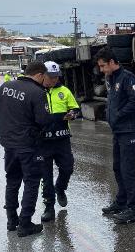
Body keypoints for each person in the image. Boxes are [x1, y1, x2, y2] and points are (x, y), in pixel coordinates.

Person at [0, 61, 51, 237]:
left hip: (9, 145)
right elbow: (44, 121)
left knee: (12, 181)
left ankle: (12, 221)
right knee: (31, 183)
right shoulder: (38, 93)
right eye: (44, 78)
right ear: (39, 75)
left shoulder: (5, 86)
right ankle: (25, 224)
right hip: (28, 146)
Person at [95, 47, 135, 224]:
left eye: (103, 66)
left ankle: (133, 209)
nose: (101, 70)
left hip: (128, 130)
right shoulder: (111, 78)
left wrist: (118, 115)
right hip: (118, 130)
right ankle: (121, 202)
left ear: (112, 62)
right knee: (117, 167)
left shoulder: (127, 77)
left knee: (127, 171)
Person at [39, 61, 81, 222]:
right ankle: (49, 207)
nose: (54, 80)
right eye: (51, 77)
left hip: (62, 139)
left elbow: (75, 108)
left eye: (57, 77)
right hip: (43, 142)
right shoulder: (37, 92)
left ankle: (60, 188)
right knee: (46, 176)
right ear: (43, 76)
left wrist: (72, 114)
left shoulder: (64, 91)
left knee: (67, 168)